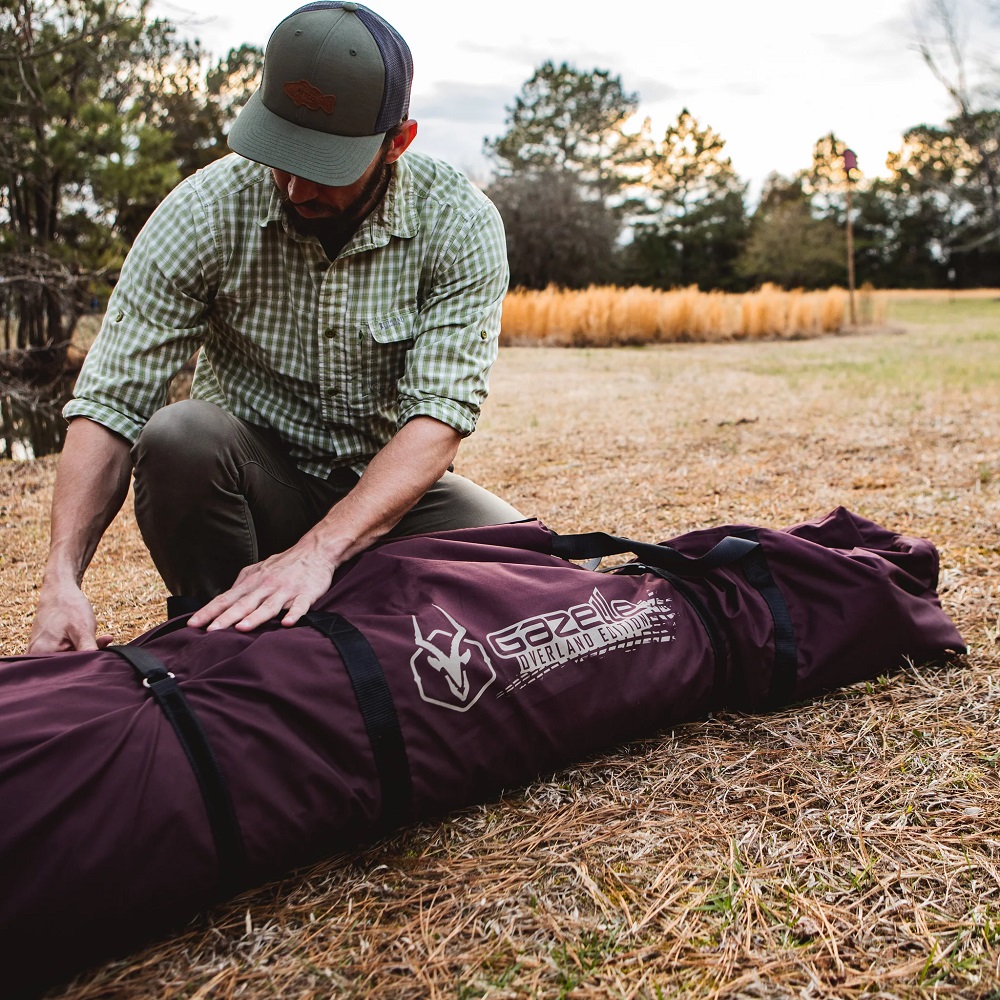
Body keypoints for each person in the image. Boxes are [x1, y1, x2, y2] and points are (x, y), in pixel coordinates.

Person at [27, 0, 523, 654]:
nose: (293, 186)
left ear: (396, 142)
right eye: (280, 151)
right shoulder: (204, 212)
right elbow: (110, 403)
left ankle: (337, 602)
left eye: (323, 165)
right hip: (248, 490)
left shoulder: (460, 223)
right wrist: (61, 577)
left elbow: (438, 419)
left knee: (541, 566)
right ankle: (225, 643)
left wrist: (319, 550)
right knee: (179, 433)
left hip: (381, 494)